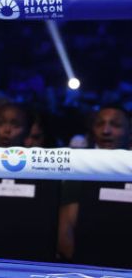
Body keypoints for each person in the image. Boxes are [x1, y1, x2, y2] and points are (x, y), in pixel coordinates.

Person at [57, 104, 131, 262]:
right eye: (99, 124)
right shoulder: (80, 168)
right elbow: (65, 229)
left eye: (116, 125)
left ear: (130, 132)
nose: (106, 131)